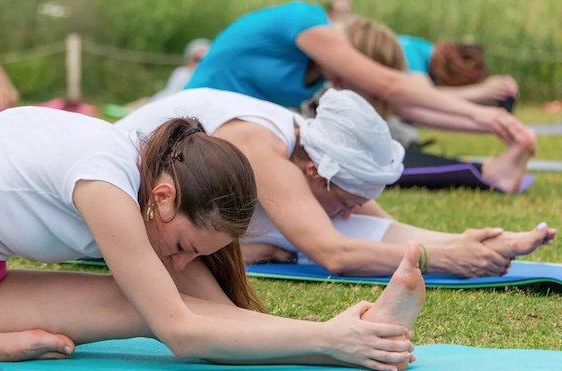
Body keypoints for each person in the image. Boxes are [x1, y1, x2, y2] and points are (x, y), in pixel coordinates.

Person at [0, 106, 421, 371]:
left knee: (146, 303)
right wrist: (328, 337)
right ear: (164, 198)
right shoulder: (104, 180)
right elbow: (182, 335)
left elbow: (210, 316)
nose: (184, 259)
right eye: (188, 244)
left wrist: (340, 338)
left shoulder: (156, 182)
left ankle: (362, 333)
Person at [115, 88, 555, 276]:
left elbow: (377, 224)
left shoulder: (311, 148)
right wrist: (439, 260)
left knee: (315, 231)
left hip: (167, 203)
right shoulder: (263, 149)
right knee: (312, 237)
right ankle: (244, 250)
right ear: (316, 174)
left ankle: (245, 249)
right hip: (117, 213)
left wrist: (468, 242)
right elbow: (335, 254)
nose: (351, 209)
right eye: (346, 199)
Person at [184, 2, 536, 154]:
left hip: (225, 129)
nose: (349, 83)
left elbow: (401, 106)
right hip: (192, 120)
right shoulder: (304, 21)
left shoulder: (320, 71)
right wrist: (482, 110)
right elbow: (391, 86)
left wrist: (491, 126)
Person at [318, 18, 533, 193]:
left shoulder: (402, 52)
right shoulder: (409, 52)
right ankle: (488, 172)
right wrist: (481, 102)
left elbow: (415, 110)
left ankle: (487, 172)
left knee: (384, 152)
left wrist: (497, 124)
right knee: (374, 161)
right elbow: (419, 100)